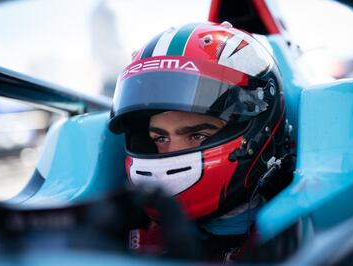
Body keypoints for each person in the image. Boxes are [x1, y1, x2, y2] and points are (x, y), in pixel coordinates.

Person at [109, 21, 294, 262]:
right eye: (160, 138)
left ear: (258, 129)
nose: (171, 153)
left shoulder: (294, 230)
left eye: (197, 135)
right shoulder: (126, 229)